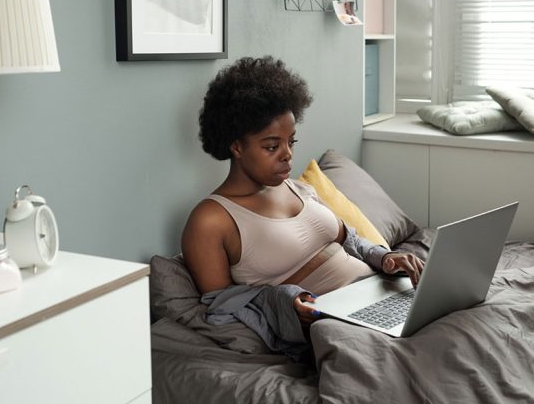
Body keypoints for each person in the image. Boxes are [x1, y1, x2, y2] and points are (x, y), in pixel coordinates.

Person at [182, 56, 425, 327]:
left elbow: (351, 241)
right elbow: (221, 302)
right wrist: (286, 301)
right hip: (335, 322)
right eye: (272, 147)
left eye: (291, 141)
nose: (288, 155)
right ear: (236, 147)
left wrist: (386, 257)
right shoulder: (211, 219)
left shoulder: (299, 187)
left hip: (381, 294)